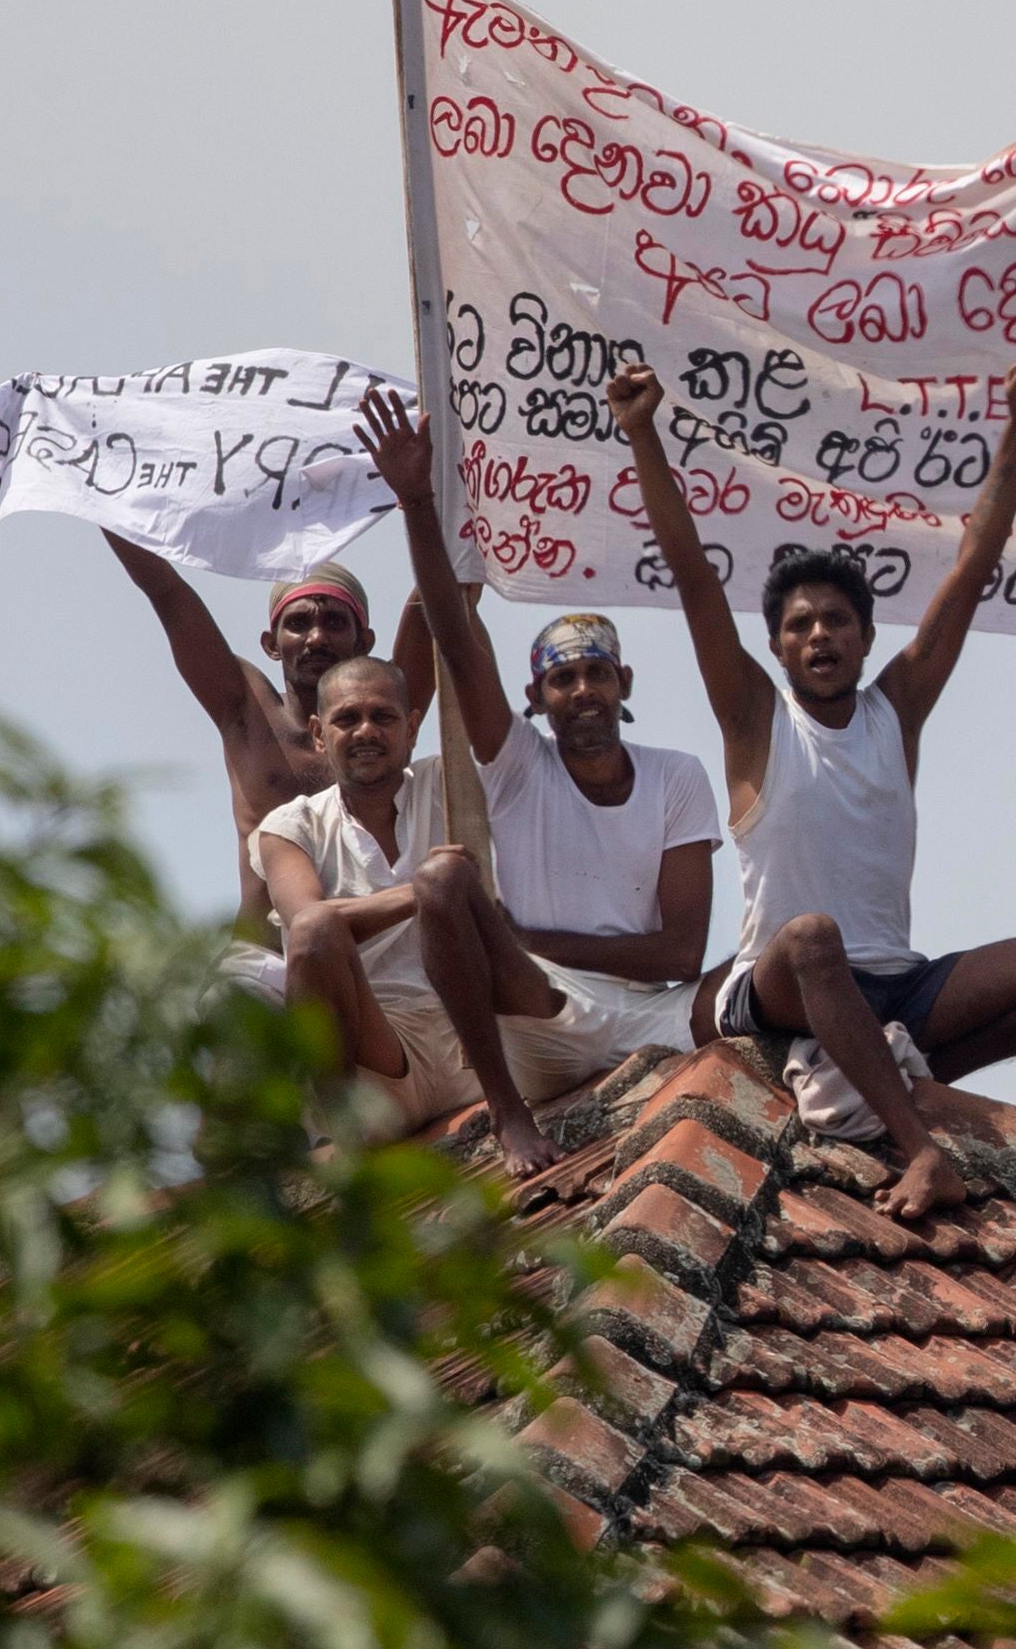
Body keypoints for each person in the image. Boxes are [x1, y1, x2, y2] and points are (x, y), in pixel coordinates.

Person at [612, 360, 1016, 1220]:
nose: (819, 635)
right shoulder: (757, 718)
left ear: (864, 638)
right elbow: (693, 577)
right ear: (778, 647)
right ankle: (921, 1149)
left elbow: (972, 569)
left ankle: (906, 1071)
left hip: (898, 984)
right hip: (782, 983)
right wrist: (642, 433)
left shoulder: (897, 708)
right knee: (812, 936)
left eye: (837, 622)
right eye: (800, 625)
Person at [359, 394, 718, 1089]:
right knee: (446, 888)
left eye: (597, 673)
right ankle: (507, 1112)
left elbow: (682, 952)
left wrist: (528, 938)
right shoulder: (521, 765)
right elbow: (455, 642)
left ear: (625, 683)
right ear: (536, 700)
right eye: (562, 679)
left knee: (787, 959)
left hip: (657, 1013)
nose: (582, 690)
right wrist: (417, 503)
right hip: (545, 1009)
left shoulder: (679, 776)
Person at [254, 658, 646, 1176]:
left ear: (413, 727)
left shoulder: (455, 781)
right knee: (329, 925)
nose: (367, 731)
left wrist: (453, 597)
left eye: (384, 717)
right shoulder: (291, 825)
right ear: (319, 734)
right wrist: (420, 892)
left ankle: (508, 1113)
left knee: (443, 881)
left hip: (495, 1032)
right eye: (348, 719)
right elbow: (308, 922)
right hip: (388, 1056)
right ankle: (347, 1146)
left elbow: (471, 680)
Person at [105, 533, 428, 951]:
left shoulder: (384, 713)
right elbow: (165, 591)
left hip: (379, 962)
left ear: (363, 641)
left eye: (334, 622)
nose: (316, 638)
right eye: (298, 624)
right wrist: (101, 493)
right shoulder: (246, 711)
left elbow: (436, 603)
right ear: (271, 644)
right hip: (266, 960)